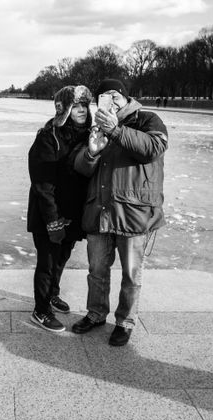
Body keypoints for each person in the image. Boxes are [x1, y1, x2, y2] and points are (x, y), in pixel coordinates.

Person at [71, 79, 168, 346]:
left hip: (133, 213)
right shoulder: (95, 125)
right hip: (100, 211)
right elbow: (81, 168)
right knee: (97, 271)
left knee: (131, 275)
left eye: (114, 95)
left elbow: (153, 148)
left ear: (125, 98)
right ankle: (96, 313)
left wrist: (115, 130)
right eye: (103, 97)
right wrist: (91, 153)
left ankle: (124, 322)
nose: (110, 101)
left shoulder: (147, 119)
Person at [27, 85, 93, 332]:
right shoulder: (48, 136)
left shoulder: (87, 136)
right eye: (76, 106)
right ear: (64, 109)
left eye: (85, 105)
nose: (82, 110)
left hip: (71, 212)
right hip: (48, 214)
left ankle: (52, 294)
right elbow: (42, 184)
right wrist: (52, 220)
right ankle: (40, 310)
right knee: (47, 261)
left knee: (62, 258)